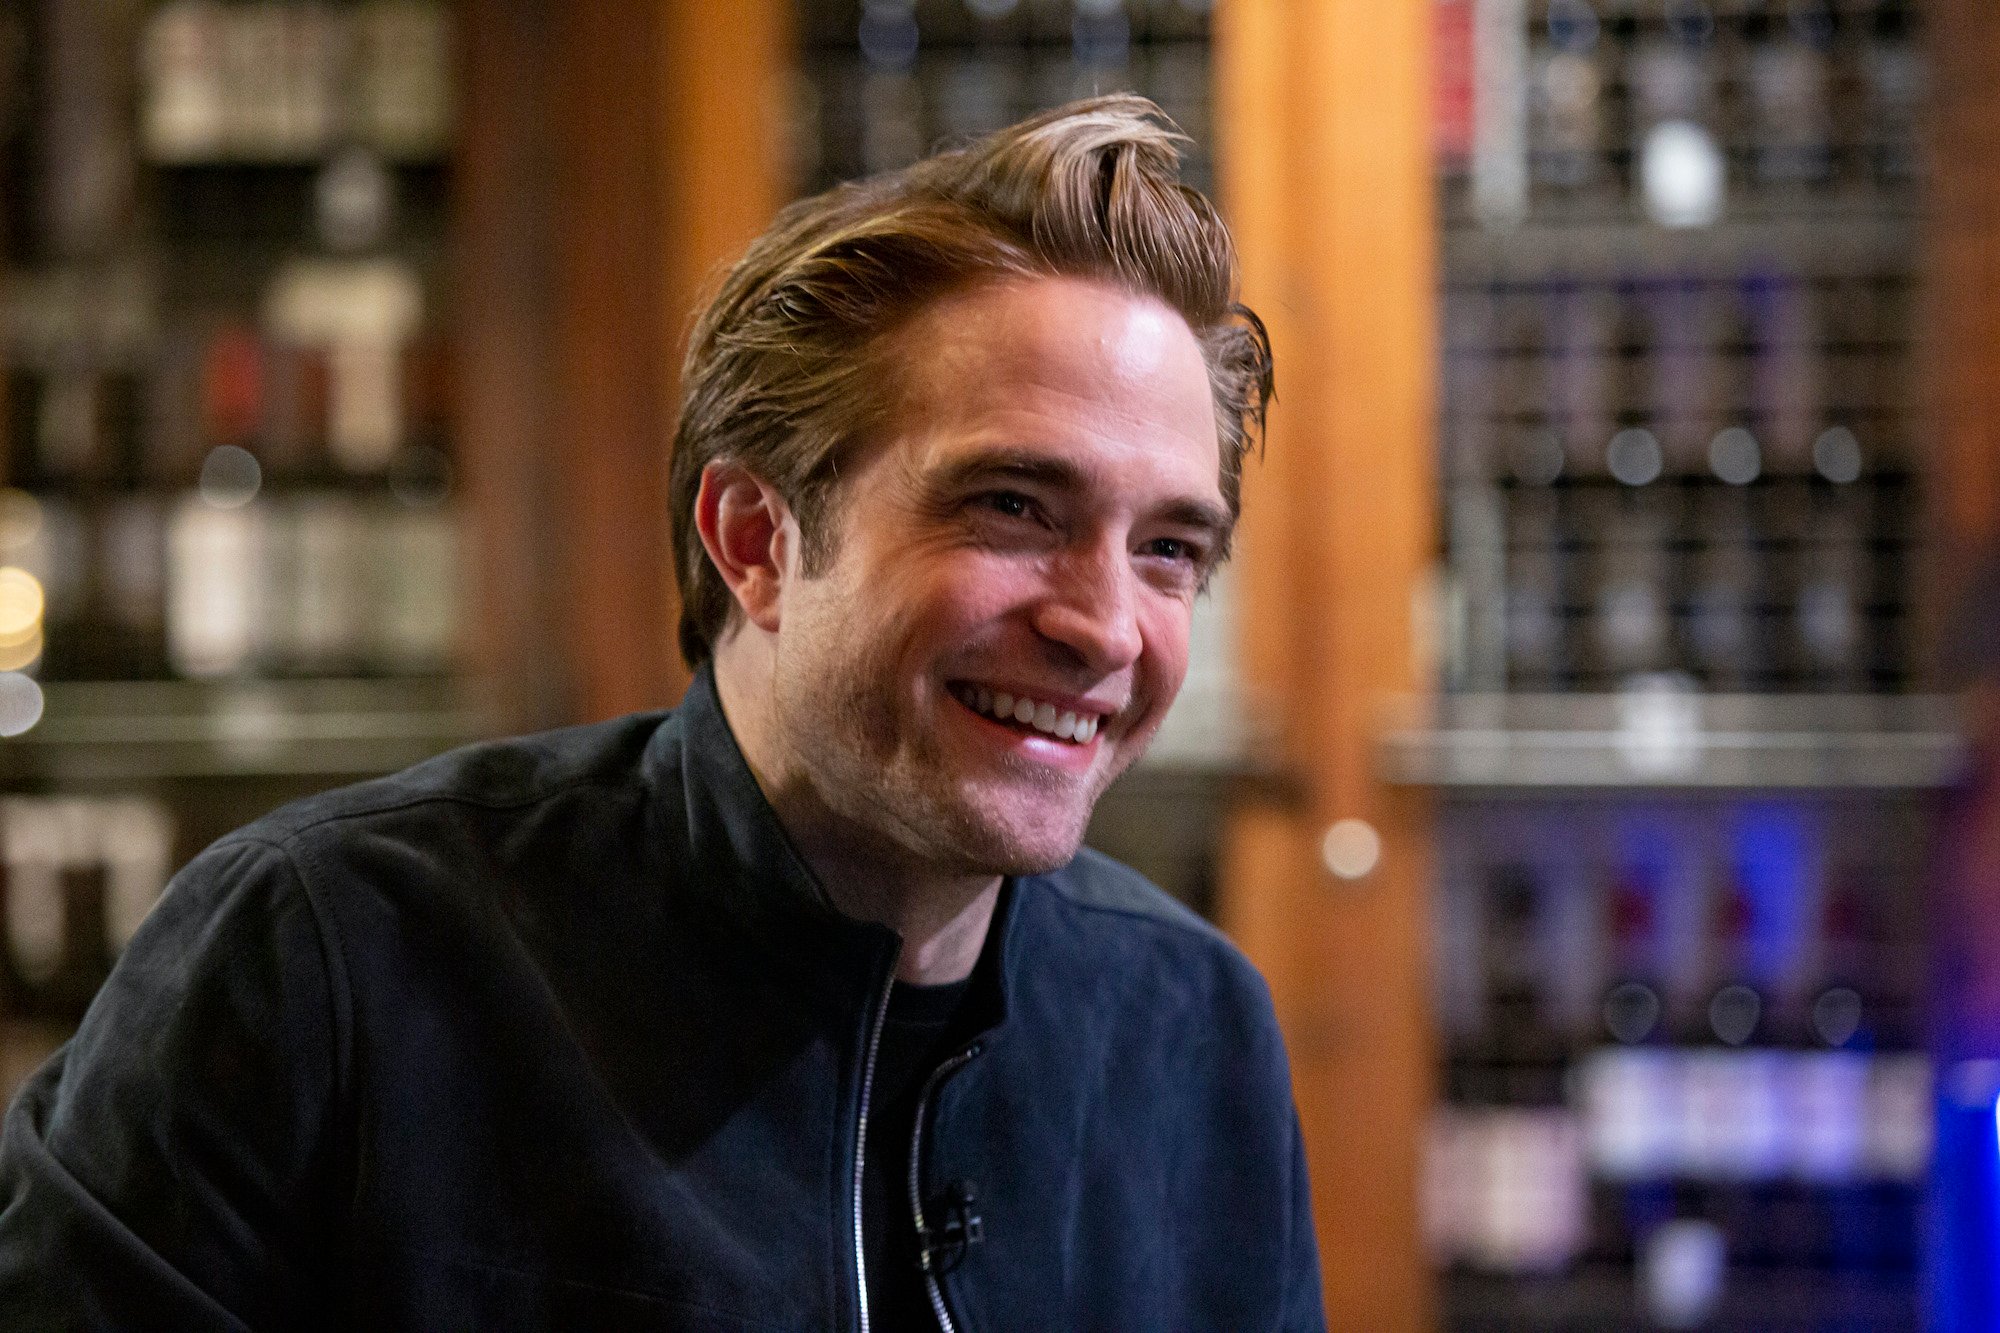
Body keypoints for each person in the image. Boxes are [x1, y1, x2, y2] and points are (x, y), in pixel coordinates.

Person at [0, 96, 1324, 1331]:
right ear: (755, 539)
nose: (1106, 627)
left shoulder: (1196, 1031)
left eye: (1169, 549)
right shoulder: (327, 958)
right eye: (1013, 507)